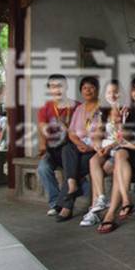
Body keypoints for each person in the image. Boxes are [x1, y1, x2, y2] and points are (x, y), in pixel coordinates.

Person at [97, 80, 135, 233]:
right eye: (134, 90)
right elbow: (125, 137)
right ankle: (125, 200)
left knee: (118, 166)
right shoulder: (130, 111)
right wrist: (119, 123)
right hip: (129, 152)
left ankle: (112, 213)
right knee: (120, 154)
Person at [56, 76, 101, 222]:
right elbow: (71, 133)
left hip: (95, 149)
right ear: (81, 91)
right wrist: (78, 144)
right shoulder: (79, 109)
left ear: (97, 89)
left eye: (91, 87)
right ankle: (72, 185)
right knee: (67, 149)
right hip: (80, 146)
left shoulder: (103, 108)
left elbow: (107, 133)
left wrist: (90, 147)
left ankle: (66, 205)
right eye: (85, 88)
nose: (88, 90)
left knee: (74, 169)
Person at [79, 79, 122, 227]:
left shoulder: (125, 109)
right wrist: (97, 146)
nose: (113, 95)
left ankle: (96, 210)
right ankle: (101, 199)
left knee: (103, 170)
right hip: (106, 148)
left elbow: (124, 137)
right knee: (93, 161)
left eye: (116, 92)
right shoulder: (102, 111)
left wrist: (109, 147)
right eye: (109, 92)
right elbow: (97, 134)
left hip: (120, 149)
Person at [36, 74, 79, 216]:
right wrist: (43, 146)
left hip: (72, 149)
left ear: (66, 87)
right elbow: (42, 128)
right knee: (43, 168)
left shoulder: (77, 106)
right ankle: (55, 203)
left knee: (73, 173)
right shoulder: (46, 107)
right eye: (53, 86)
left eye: (60, 86)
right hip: (53, 150)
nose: (57, 90)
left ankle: (66, 204)